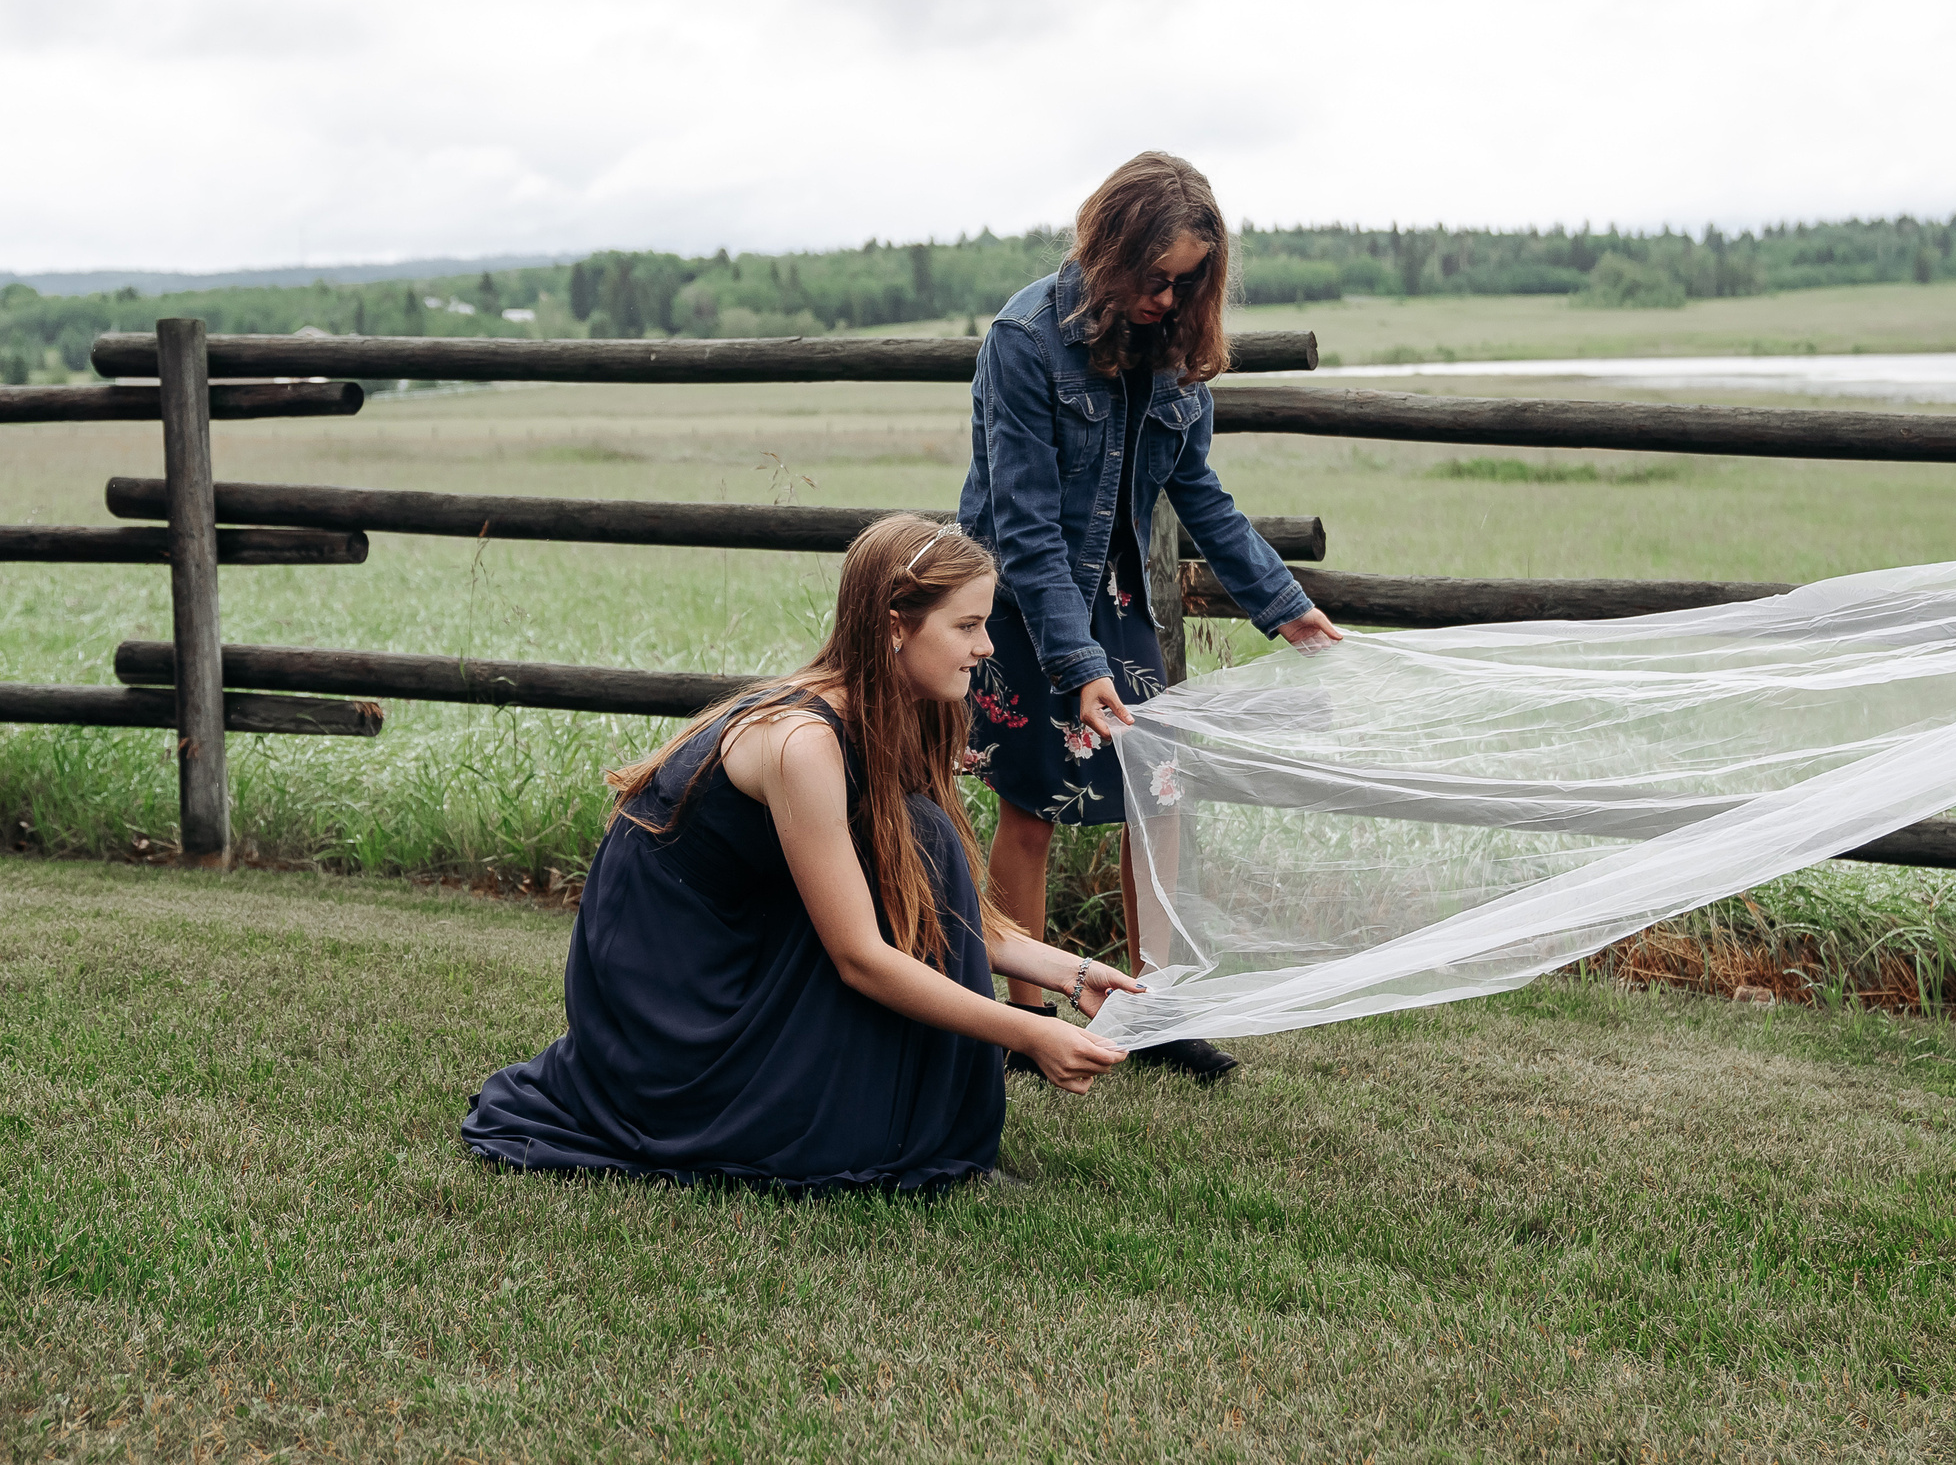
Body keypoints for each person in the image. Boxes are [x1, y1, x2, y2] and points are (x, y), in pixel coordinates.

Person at [461, 515, 1140, 1192]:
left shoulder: (898, 708)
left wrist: (1073, 973)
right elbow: (859, 957)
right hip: (671, 978)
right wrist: (1026, 1032)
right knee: (925, 844)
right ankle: (907, 1139)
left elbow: (918, 892)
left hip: (746, 921)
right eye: (966, 626)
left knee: (924, 835)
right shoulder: (802, 743)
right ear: (895, 624)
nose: (986, 645)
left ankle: (921, 1130)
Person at [958, 151, 1345, 1083]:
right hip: (1019, 601)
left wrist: (1283, 605)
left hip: (1121, 597)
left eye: (1187, 283)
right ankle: (1027, 1020)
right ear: (1110, 249)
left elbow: (1198, 492)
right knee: (1033, 806)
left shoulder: (1171, 352)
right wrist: (1074, 662)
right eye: (1156, 278)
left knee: (1158, 796)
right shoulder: (1024, 342)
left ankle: (1155, 1010)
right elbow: (1028, 528)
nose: (1169, 302)